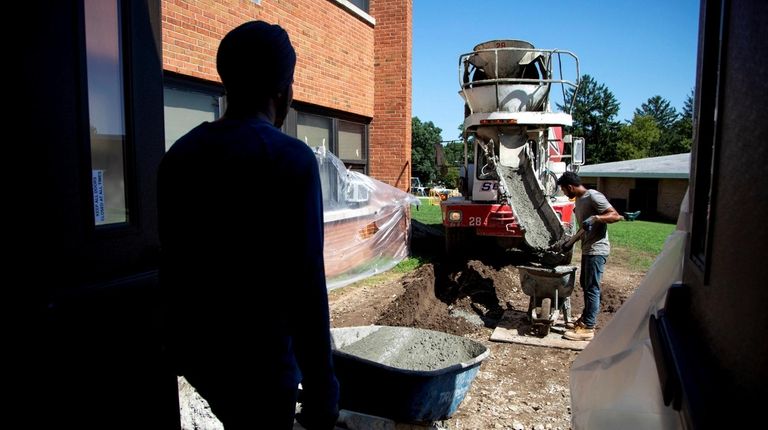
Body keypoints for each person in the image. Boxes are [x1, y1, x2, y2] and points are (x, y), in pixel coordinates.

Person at [158, 21, 339, 429]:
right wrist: (322, 388)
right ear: (282, 90)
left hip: (200, 358)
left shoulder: (180, 156)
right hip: (263, 366)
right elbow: (306, 285)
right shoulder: (289, 160)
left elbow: (171, 261)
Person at [556, 171, 622, 341]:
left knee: (592, 287)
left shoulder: (593, 196)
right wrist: (570, 242)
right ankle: (584, 320)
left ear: (570, 187)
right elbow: (583, 227)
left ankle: (589, 327)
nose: (564, 193)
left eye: (564, 190)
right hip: (587, 249)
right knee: (585, 285)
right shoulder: (579, 200)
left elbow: (615, 215)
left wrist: (596, 218)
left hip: (597, 250)